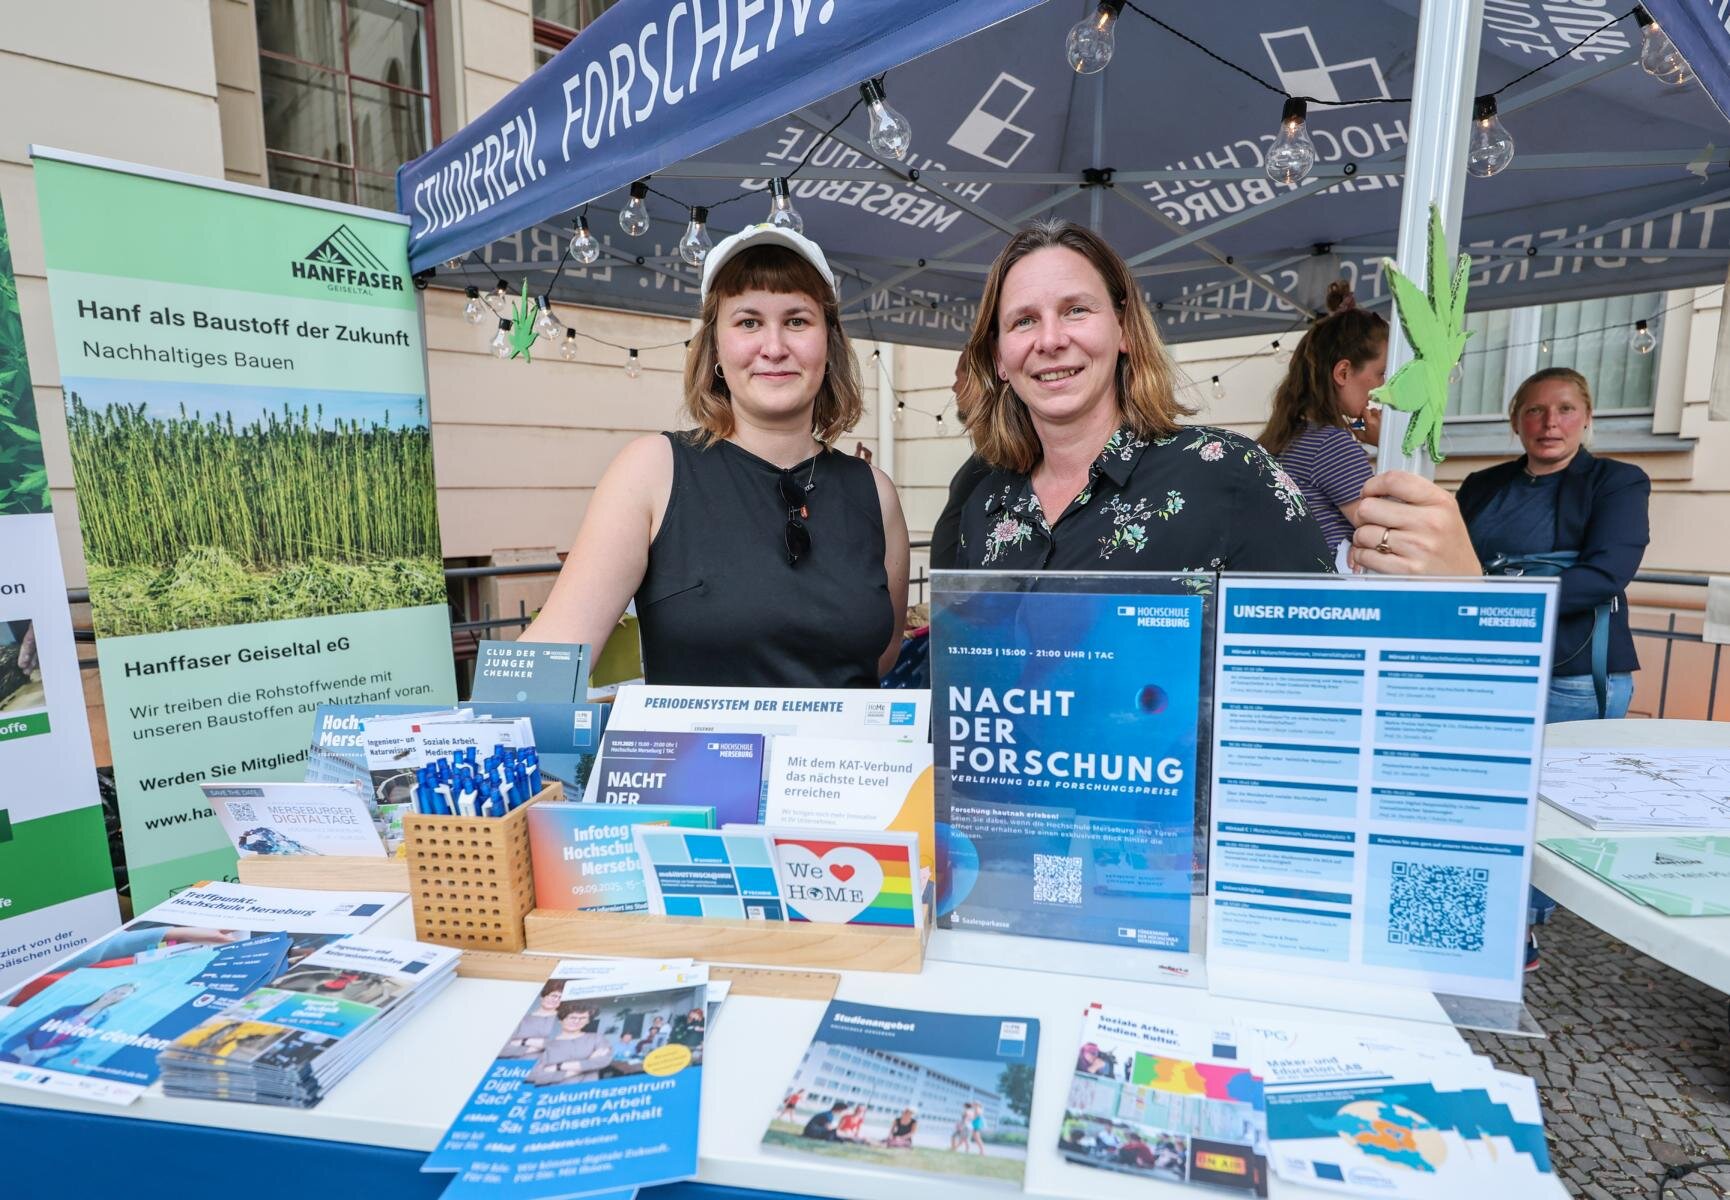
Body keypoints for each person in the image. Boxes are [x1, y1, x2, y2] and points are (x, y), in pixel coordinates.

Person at [952, 219, 1480, 578]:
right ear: (999, 356)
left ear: (1124, 332)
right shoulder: (988, 505)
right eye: (1023, 321)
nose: (1049, 340)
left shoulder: (1228, 475)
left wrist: (1456, 589)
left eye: (1075, 310)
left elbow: (1323, 661)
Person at [520, 224, 909, 686]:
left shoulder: (874, 493)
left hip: (839, 760)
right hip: (695, 760)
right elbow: (552, 655)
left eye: (797, 321)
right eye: (748, 322)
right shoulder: (652, 471)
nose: (774, 347)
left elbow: (879, 658)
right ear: (716, 349)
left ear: (828, 344)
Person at [1457, 367, 1650, 722]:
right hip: (1484, 663)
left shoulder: (1617, 481)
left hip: (1570, 675)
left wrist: (1499, 603)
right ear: (1516, 421)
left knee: (1567, 778)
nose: (1550, 423)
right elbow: (1452, 558)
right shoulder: (1480, 485)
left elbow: (1606, 573)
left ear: (1588, 417)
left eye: (1565, 409)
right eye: (1534, 410)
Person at [1258, 282, 1387, 556]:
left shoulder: (1288, 437)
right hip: (1329, 593)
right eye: (1381, 373)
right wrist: (1388, 446)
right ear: (1343, 372)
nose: (1385, 386)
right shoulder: (1331, 445)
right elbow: (1388, 537)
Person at [929, 359, 992, 571]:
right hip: (956, 594)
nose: (954, 387)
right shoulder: (987, 453)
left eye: (959, 377)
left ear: (978, 381)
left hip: (974, 596)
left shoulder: (1000, 457)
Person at [525, 1002, 613, 1086]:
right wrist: (587, 1064)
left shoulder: (597, 1038)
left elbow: (603, 1060)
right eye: (572, 1017)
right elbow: (533, 1076)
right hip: (555, 1095)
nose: (576, 1021)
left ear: (588, 1021)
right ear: (561, 1019)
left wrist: (559, 1067)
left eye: (582, 1018)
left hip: (588, 1094)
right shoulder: (547, 1045)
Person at [501, 981, 566, 1059]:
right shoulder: (523, 1018)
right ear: (543, 995)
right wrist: (540, 1045)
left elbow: (559, 1045)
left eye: (560, 998)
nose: (555, 1000)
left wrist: (524, 1041)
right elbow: (503, 1050)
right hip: (510, 1066)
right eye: (553, 995)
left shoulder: (562, 1021)